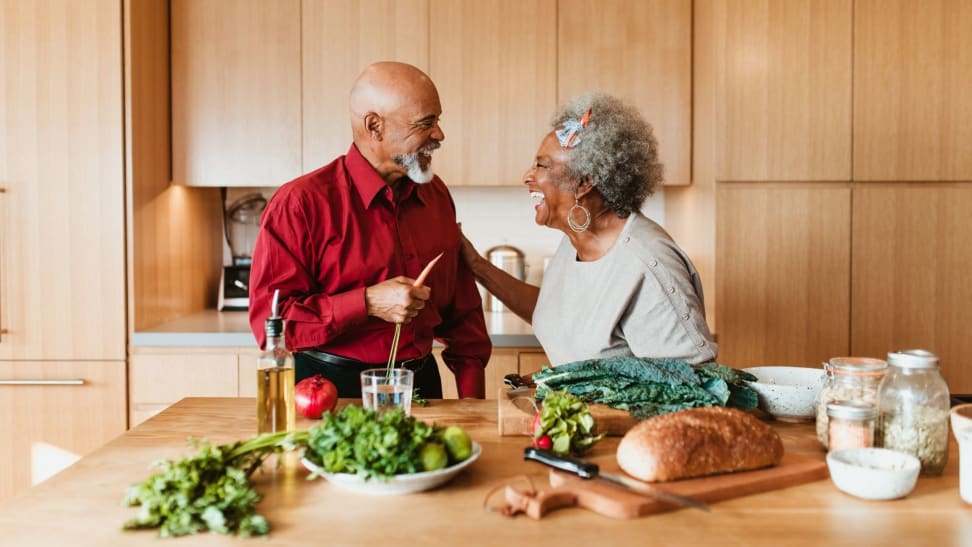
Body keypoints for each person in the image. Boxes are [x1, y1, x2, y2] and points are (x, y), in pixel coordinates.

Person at [249, 61, 491, 399]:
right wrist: (367, 302)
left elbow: (462, 316)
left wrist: (471, 401)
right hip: (328, 392)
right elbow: (269, 325)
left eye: (437, 120)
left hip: (422, 387)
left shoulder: (437, 196)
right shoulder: (300, 204)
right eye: (426, 123)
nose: (439, 134)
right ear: (374, 126)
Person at [460, 92, 716, 367]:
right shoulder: (575, 241)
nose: (527, 176)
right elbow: (553, 312)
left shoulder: (646, 263)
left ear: (584, 183)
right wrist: (475, 266)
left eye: (541, 165)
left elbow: (694, 383)